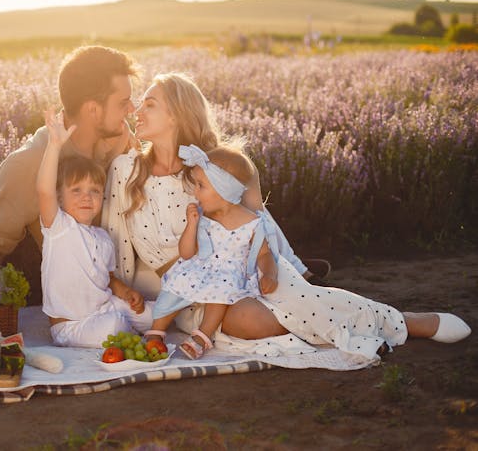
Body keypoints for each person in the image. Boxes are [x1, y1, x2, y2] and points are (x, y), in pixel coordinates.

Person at [102, 72, 471, 349]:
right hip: (178, 291)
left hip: (240, 274)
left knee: (294, 298)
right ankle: (351, 325)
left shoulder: (208, 169)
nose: (137, 109)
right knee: (253, 322)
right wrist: (116, 286)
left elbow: (258, 221)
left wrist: (288, 267)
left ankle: (401, 322)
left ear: (177, 115)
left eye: (150, 103)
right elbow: (113, 237)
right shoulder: (126, 169)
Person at [0, 45, 139, 271]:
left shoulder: (119, 135)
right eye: (122, 103)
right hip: (76, 293)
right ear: (93, 110)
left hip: (135, 279)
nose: (132, 109)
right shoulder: (29, 162)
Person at [148, 143, 280, 359]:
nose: (195, 191)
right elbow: (187, 253)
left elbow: (264, 254)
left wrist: (269, 273)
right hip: (200, 266)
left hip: (228, 274)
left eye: (201, 185)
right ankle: (156, 329)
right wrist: (191, 225)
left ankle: (202, 336)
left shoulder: (253, 223)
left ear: (223, 189)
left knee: (222, 288)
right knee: (175, 283)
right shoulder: (203, 217)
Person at [36, 110, 153, 347]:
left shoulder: (103, 237)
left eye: (94, 191)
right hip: (72, 324)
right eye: (76, 190)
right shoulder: (59, 227)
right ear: (60, 198)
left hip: (105, 306)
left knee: (153, 315)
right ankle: (126, 330)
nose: (86, 197)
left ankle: (131, 326)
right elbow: (44, 191)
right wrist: (55, 145)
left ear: (102, 197)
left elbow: (108, 279)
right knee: (114, 327)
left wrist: (127, 293)